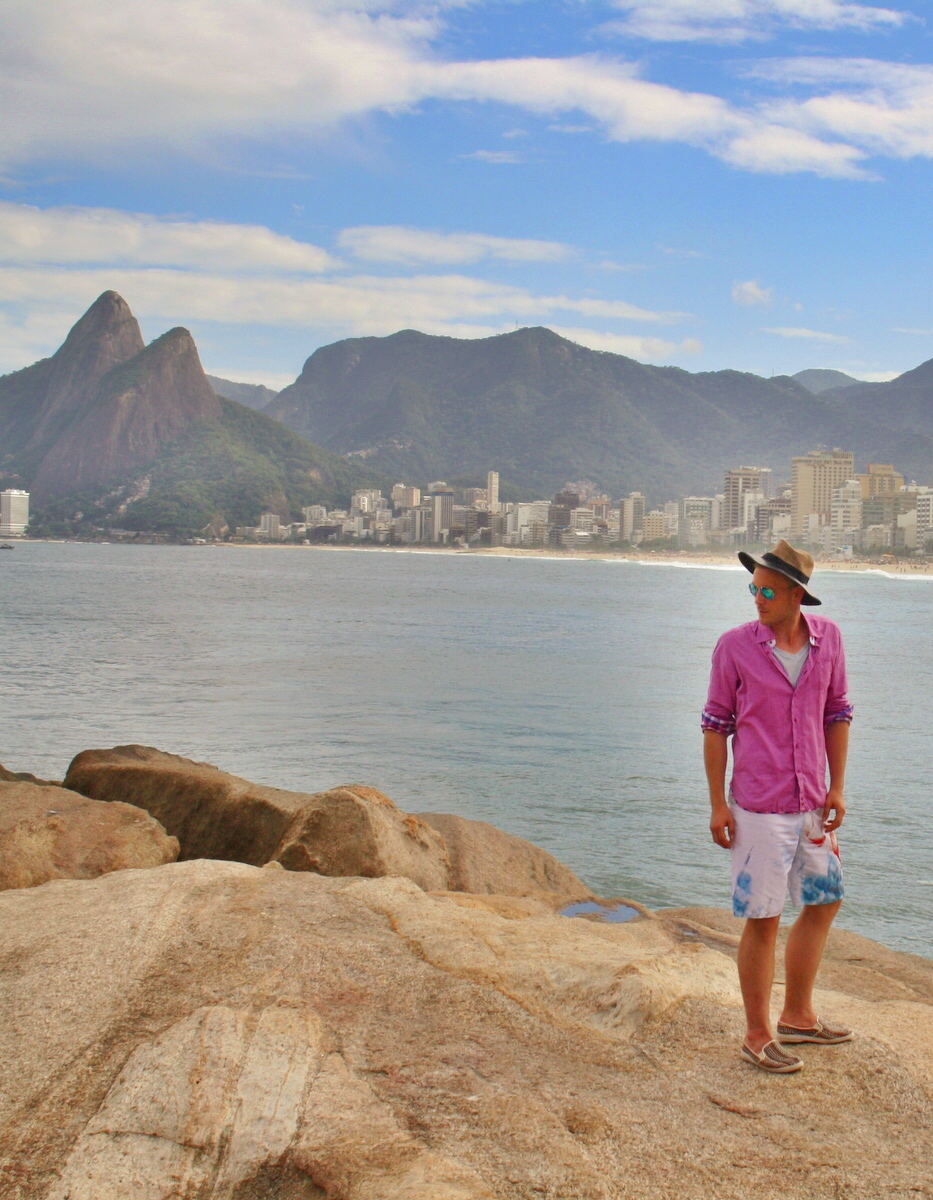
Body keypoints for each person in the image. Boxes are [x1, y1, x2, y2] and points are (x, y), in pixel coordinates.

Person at [702, 540, 854, 1074]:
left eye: (767, 590)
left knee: (825, 899)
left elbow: (837, 712)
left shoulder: (829, 639)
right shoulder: (735, 646)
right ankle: (757, 1034)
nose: (757, 598)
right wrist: (718, 804)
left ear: (797, 594)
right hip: (759, 808)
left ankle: (798, 1015)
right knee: (763, 919)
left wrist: (837, 787)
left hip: (812, 802)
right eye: (753, 588)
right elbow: (716, 726)